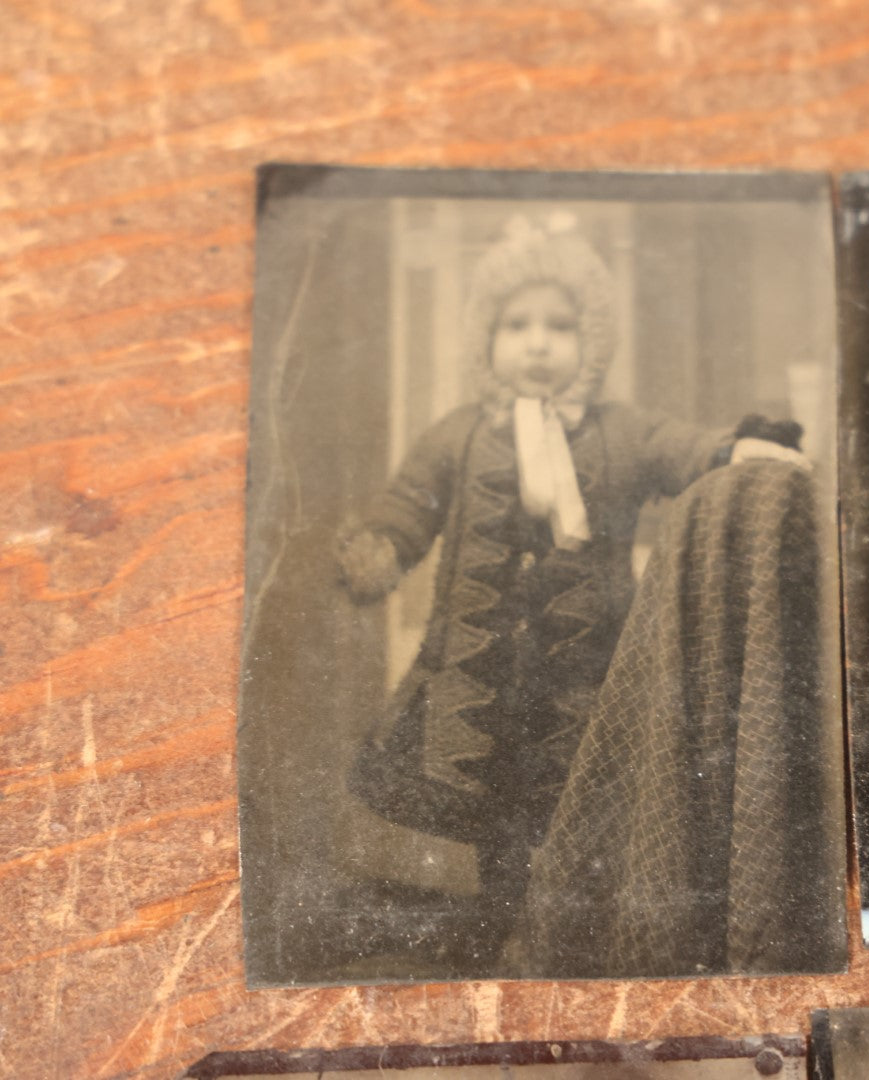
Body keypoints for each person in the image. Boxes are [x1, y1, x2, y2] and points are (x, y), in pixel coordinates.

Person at [334, 216, 800, 963]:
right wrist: (381, 549)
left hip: (586, 685)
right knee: (493, 829)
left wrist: (732, 448)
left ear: (592, 341)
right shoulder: (458, 433)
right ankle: (500, 945)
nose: (538, 343)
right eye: (516, 325)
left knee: (575, 820)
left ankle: (562, 951)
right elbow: (408, 503)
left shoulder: (619, 429)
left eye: (560, 326)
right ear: (485, 340)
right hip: (477, 684)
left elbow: (681, 449)